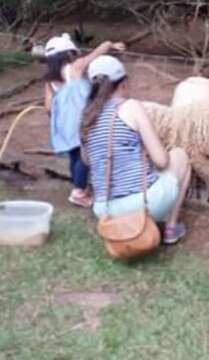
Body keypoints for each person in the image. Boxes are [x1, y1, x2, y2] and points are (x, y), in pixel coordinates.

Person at [81, 55, 191, 245]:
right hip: (142, 205)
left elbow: (87, 161)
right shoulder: (130, 107)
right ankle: (170, 228)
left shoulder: (86, 116)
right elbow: (162, 161)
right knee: (180, 156)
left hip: (103, 209)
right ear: (123, 83)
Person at [43, 33, 125, 208]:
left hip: (63, 124)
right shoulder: (75, 68)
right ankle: (79, 192)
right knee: (84, 157)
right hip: (80, 120)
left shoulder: (50, 82)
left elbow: (48, 107)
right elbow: (96, 53)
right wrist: (110, 43)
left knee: (74, 156)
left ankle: (80, 187)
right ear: (67, 54)